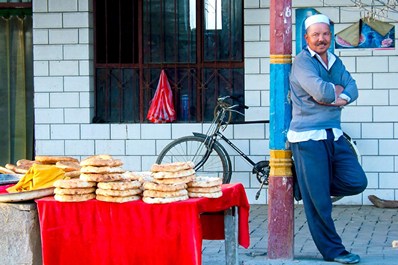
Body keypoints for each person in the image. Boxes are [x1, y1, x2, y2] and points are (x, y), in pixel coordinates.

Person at [288, 14, 368, 264]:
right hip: (307, 137)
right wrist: (336, 91)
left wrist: (337, 94)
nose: (321, 39)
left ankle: (310, 187)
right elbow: (321, 92)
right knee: (320, 204)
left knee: (356, 181)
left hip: (333, 133)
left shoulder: (334, 60)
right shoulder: (302, 62)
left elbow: (352, 88)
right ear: (306, 38)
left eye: (325, 34)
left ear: (330, 36)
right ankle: (334, 251)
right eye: (316, 35)